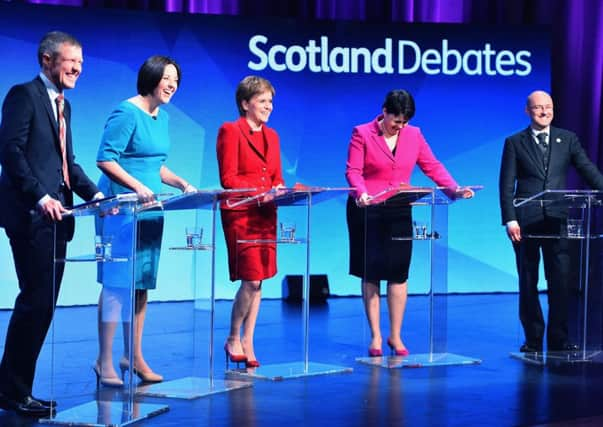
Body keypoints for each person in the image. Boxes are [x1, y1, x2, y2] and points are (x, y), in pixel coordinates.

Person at [0, 31, 103, 417]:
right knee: (35, 303)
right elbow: (9, 151)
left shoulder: (64, 106)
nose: (77, 68)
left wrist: (95, 196)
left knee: (42, 306)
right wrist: (40, 196)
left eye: (81, 62)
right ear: (47, 61)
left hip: (60, 218)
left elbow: (67, 165)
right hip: (31, 215)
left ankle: (14, 388)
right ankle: (12, 391)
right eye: (70, 60)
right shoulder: (23, 95)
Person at [345, 89, 472, 357]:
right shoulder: (362, 133)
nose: (399, 127)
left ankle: (396, 335)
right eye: (395, 121)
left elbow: (432, 165)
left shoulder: (413, 135)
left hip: (400, 207)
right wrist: (361, 192)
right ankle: (376, 337)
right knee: (372, 273)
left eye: (404, 122)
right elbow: (353, 171)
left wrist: (454, 189)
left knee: (398, 271)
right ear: (384, 111)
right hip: (367, 207)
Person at [94, 55, 195, 387]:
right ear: (151, 77)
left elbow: (155, 165)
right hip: (121, 208)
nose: (172, 85)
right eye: (167, 78)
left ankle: (133, 356)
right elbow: (105, 158)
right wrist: (137, 186)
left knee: (140, 287)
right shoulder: (127, 112)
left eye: (176, 81)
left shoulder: (161, 117)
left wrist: (180, 183)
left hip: (151, 209)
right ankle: (104, 359)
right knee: (117, 285)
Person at [499, 90, 603, 353]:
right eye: (538, 108)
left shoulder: (567, 139)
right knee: (528, 280)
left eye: (548, 107)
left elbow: (587, 169)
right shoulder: (514, 142)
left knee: (560, 281)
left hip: (558, 221)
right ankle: (533, 339)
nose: (544, 112)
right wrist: (510, 219)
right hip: (526, 224)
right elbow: (506, 185)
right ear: (527, 111)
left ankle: (559, 339)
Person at [217, 75, 285, 369]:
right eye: (262, 101)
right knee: (252, 278)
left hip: (266, 214)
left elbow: (276, 176)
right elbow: (228, 178)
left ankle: (248, 340)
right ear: (245, 104)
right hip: (241, 212)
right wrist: (263, 192)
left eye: (270, 101)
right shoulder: (230, 131)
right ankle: (233, 337)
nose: (268, 107)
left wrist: (279, 189)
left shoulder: (273, 136)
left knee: (259, 283)